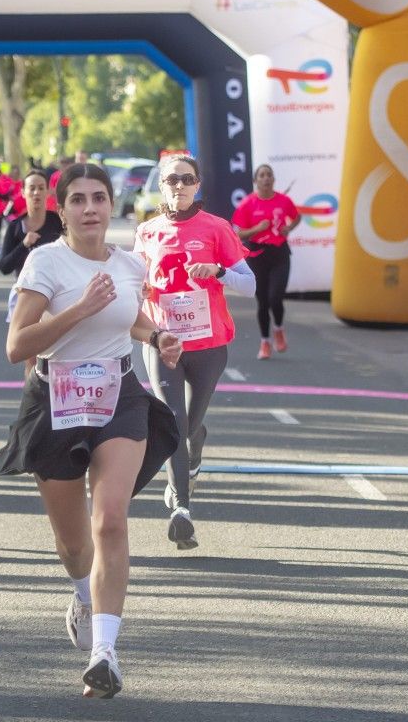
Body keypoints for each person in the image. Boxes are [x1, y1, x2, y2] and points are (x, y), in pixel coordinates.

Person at [0, 163, 181, 699]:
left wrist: (156, 336)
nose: (90, 208)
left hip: (119, 397)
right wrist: (78, 309)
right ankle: (83, 595)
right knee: (74, 546)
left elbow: (128, 318)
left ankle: (105, 654)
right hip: (56, 400)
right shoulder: (45, 261)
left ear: (111, 205)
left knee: (110, 520)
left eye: (98, 197)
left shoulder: (130, 265)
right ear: (62, 210)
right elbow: (17, 346)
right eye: (78, 199)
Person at [133, 154, 255, 551]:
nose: (180, 186)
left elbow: (249, 284)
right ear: (162, 185)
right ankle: (182, 509)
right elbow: (134, 283)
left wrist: (219, 272)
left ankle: (196, 444)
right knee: (173, 421)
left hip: (209, 344)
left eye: (187, 179)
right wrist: (140, 289)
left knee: (188, 427)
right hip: (163, 343)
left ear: (198, 184)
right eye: (172, 180)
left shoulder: (217, 228)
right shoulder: (147, 231)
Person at [231, 164, 303, 360]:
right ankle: (265, 342)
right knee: (262, 301)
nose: (266, 178)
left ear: (273, 179)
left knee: (275, 298)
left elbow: (297, 217)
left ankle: (278, 328)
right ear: (256, 181)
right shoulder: (247, 204)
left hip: (279, 253)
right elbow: (237, 234)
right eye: (261, 175)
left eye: (269, 175)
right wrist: (257, 229)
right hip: (257, 255)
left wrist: (289, 228)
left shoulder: (283, 200)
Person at [0, 169, 65, 373]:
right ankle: (33, 390)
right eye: (32, 188)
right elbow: (4, 266)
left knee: (58, 353)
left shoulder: (58, 222)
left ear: (48, 192)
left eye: (41, 188)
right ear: (23, 192)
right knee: (32, 359)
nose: (36, 193)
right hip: (27, 296)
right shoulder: (16, 227)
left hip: (58, 293)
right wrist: (24, 245)